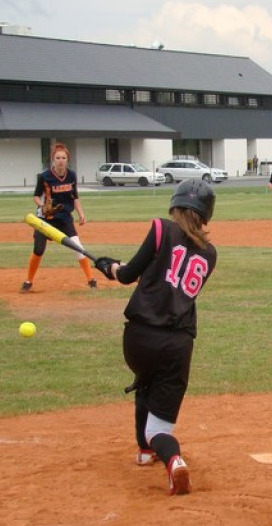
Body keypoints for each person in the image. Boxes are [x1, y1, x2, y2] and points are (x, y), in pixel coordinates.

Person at [92, 180, 218, 496]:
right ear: (206, 214)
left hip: (140, 338)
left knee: (144, 379)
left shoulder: (162, 228)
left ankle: (143, 450)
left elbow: (127, 275)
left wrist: (108, 266)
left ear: (176, 206)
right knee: (159, 426)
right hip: (178, 346)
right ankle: (172, 458)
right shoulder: (211, 254)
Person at [21, 142, 97, 292]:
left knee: (77, 246)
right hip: (45, 218)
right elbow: (36, 196)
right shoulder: (44, 176)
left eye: (63, 157)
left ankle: (91, 279)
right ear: (53, 159)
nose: (61, 160)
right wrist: (43, 206)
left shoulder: (72, 175)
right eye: (58, 157)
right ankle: (28, 281)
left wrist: (81, 214)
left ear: (67, 160)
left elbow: (75, 197)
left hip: (64, 218)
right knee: (38, 250)